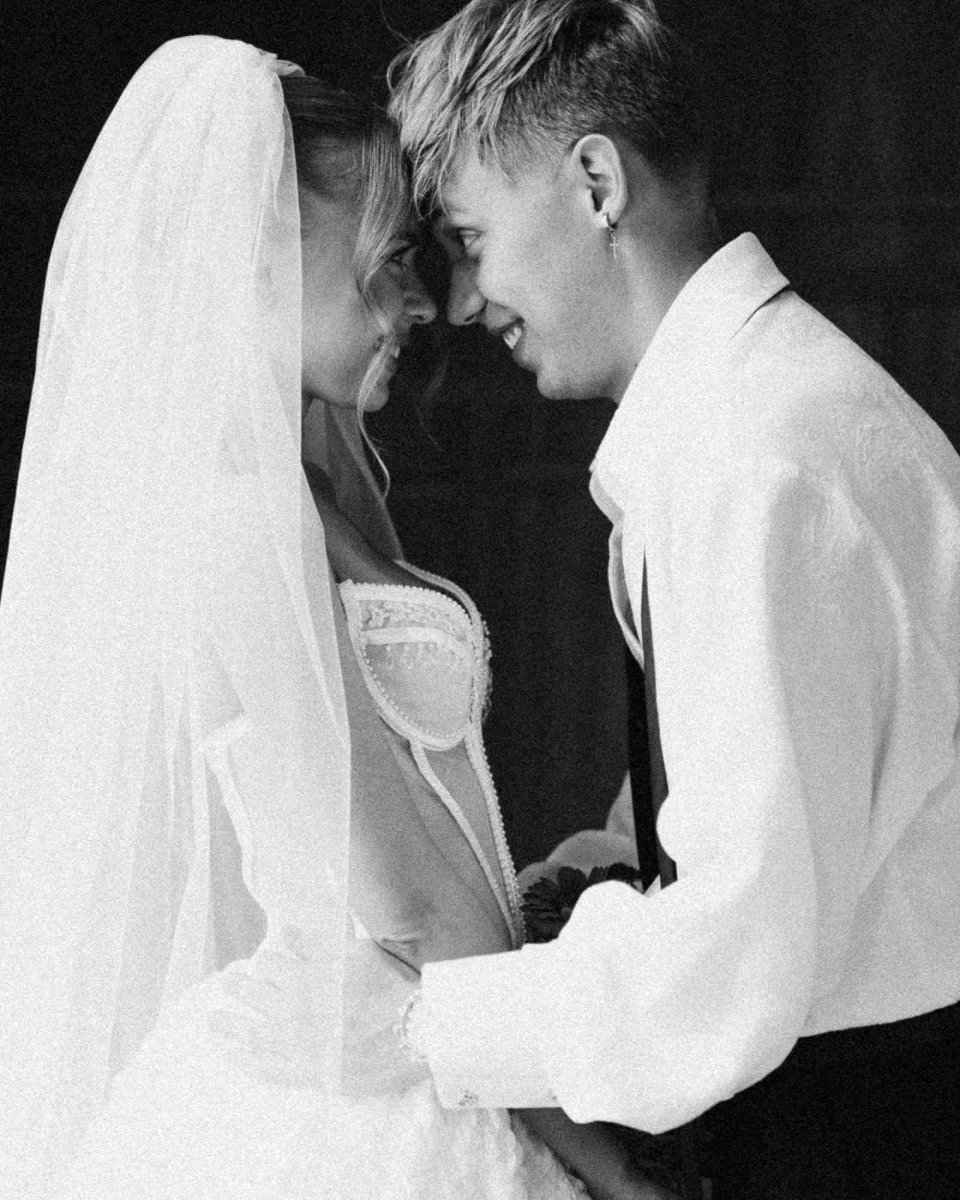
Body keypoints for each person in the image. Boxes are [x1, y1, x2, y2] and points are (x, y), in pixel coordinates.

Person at [0, 34, 674, 1200]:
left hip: (440, 1039)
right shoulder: (231, 518)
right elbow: (406, 900)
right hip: (362, 1093)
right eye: (388, 259)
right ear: (262, 250)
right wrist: (603, 1161)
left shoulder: (312, 489)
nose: (423, 303)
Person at [368, 1, 960, 1196]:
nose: (466, 302)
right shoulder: (751, 417)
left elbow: (732, 955)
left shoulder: (752, 465)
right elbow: (768, 802)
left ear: (597, 184)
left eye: (472, 239)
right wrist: (580, 875)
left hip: (865, 1129)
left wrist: (431, 1024)